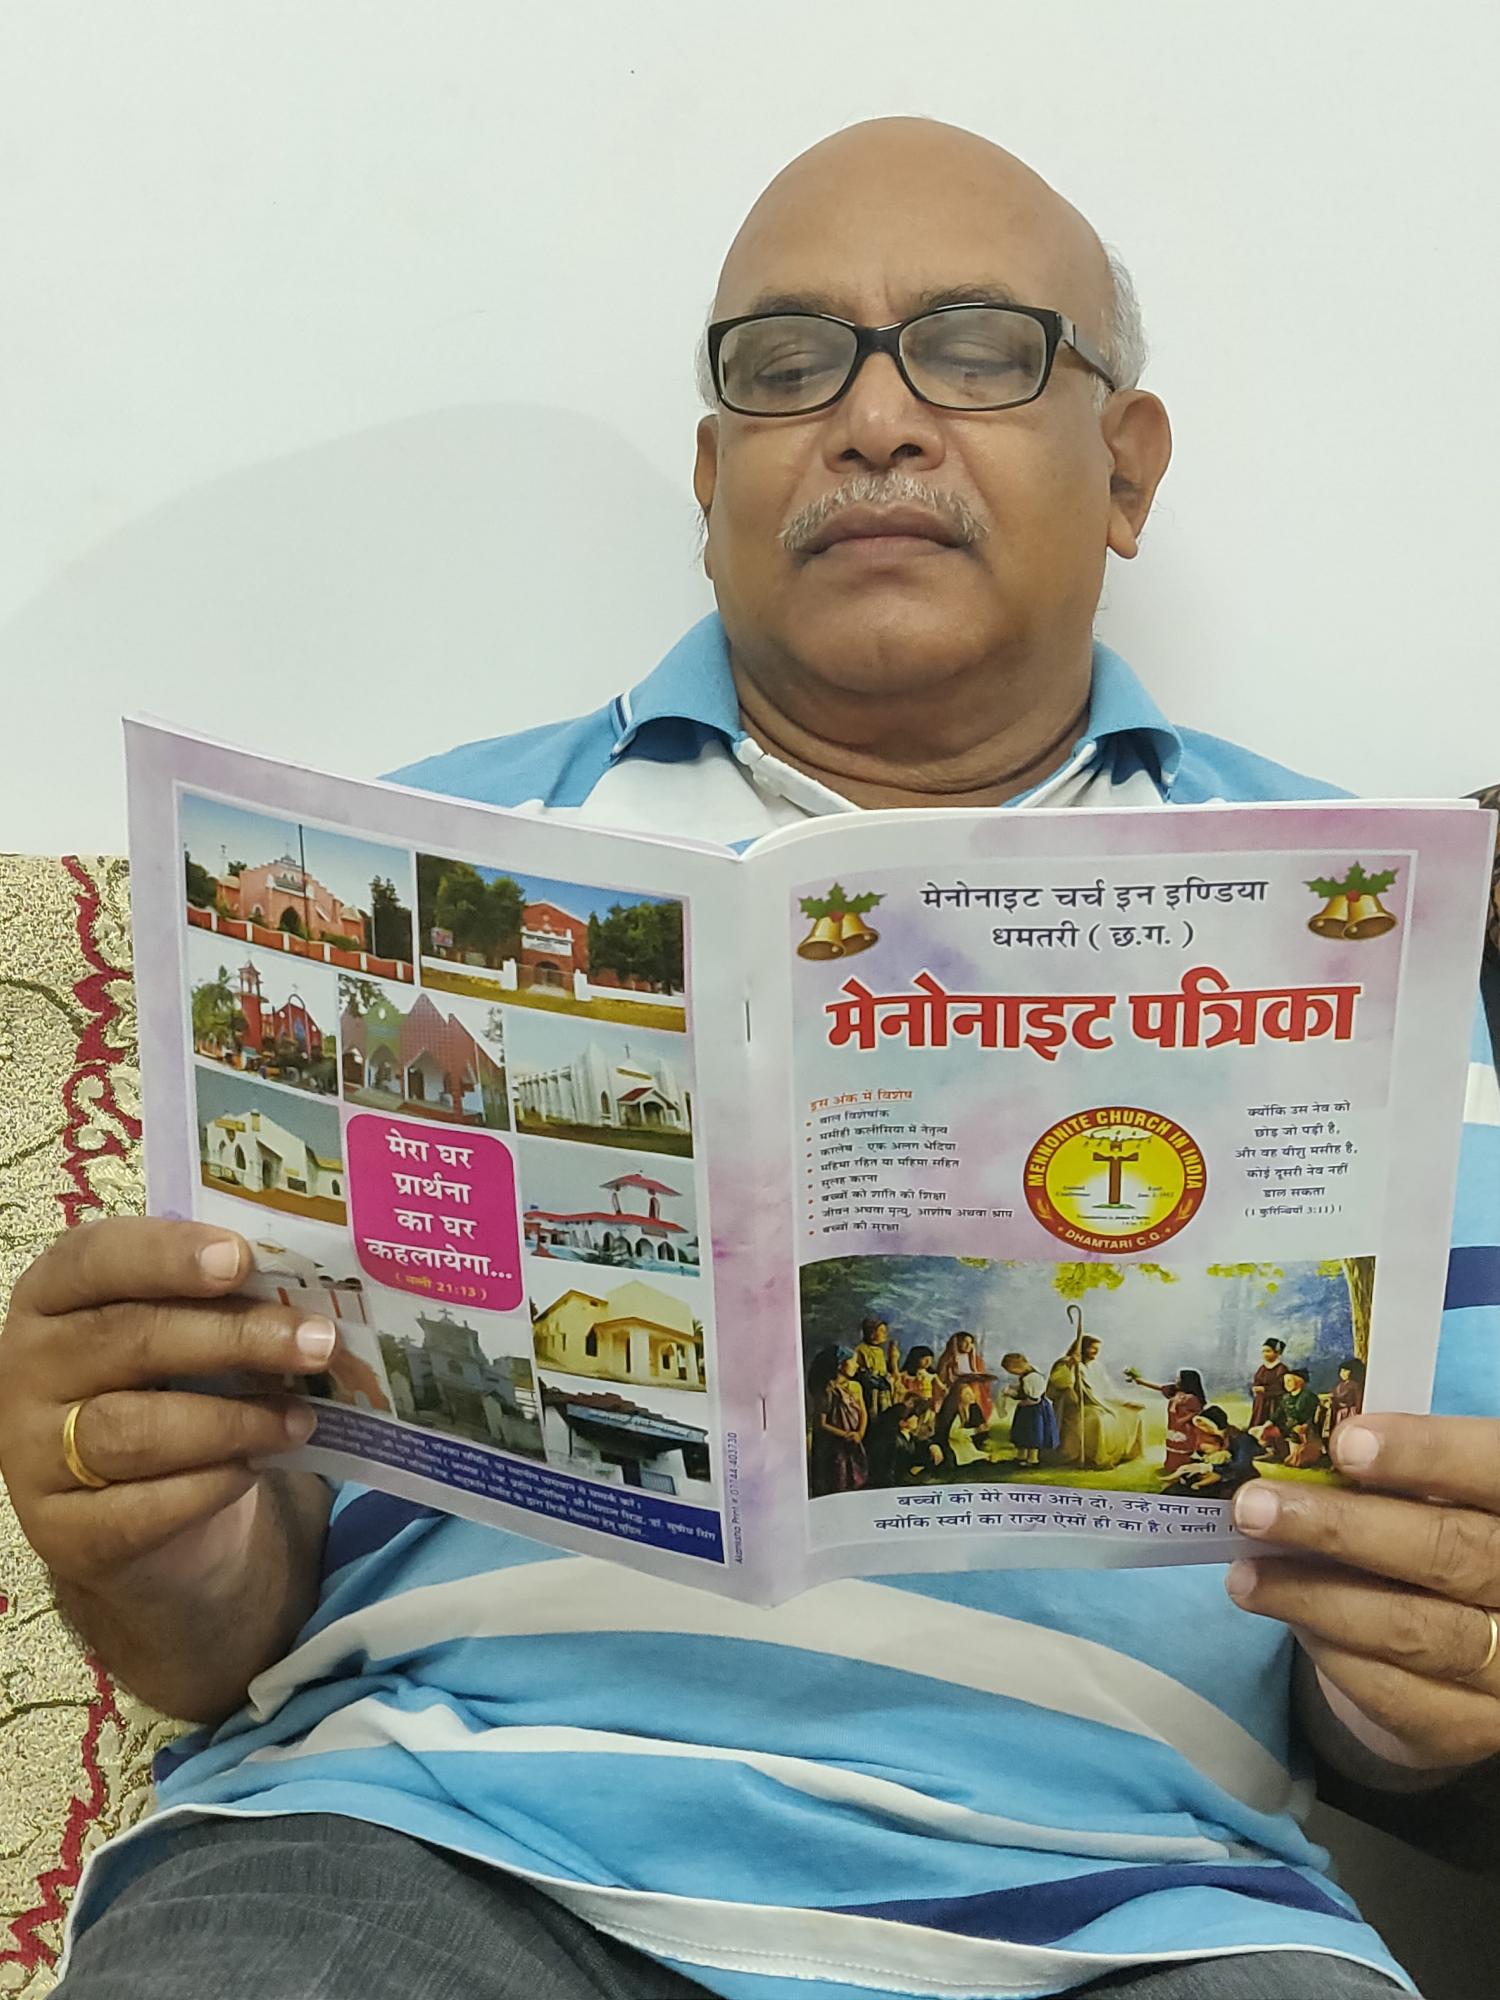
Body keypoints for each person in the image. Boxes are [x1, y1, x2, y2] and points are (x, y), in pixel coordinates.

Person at [3, 114, 1497, 2000]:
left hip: (1138, 1910)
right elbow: (220, 1615)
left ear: (1125, 465)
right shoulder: (394, 881)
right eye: (790, 367)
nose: (874, 420)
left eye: (974, 347)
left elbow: (1404, 1657)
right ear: (714, 477)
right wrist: (145, 1535)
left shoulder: (1370, 929)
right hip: (425, 1839)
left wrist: (1431, 1685)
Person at [1046, 1332, 1146, 1471]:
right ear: (1081, 1348)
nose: (1095, 1351)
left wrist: (1125, 1402)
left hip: (1100, 1402)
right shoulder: (1065, 1363)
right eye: (1092, 1348)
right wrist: (1070, 1366)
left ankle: (1126, 1454)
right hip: (1074, 1407)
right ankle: (1094, 1458)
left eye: (1097, 1348)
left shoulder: (1096, 1366)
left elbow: (1107, 1389)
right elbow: (1059, 1384)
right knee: (1097, 1419)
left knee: (1131, 1414)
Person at [1124, 1365, 1208, 1477]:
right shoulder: (1175, 1391)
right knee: (1172, 1446)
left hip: (1185, 1428)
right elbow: (1159, 1387)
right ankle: (1171, 1466)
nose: (1176, 1380)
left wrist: (1179, 1419)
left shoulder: (1191, 1398)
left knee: (1183, 1447)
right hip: (1173, 1425)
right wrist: (1140, 1381)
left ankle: (1183, 1468)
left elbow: (1194, 1413)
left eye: (1179, 1378)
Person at [806, 1343, 868, 1495]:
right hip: (834, 1445)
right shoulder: (827, 1391)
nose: (857, 1365)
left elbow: (863, 1413)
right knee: (837, 1479)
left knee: (855, 1477)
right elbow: (821, 1423)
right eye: (853, 1361)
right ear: (840, 1365)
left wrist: (859, 1433)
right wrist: (846, 1435)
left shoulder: (856, 1387)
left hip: (853, 1442)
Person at [1163, 1407, 1266, 1497]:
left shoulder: (1242, 1439)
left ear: (1217, 1424)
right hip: (1216, 1472)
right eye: (1201, 1426)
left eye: (1206, 1425)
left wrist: (1211, 1468)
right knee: (1175, 1490)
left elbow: (1241, 1466)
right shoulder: (1212, 1438)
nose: (1204, 1429)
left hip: (1236, 1477)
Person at [866, 1395, 943, 1488]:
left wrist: (932, 1446)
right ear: (902, 1422)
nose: (916, 1418)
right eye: (911, 1416)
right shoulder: (893, 1441)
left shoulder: (907, 1436)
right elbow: (887, 1473)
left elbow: (919, 1442)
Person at [997, 1349, 1058, 1465]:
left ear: (1017, 1367)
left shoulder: (1032, 1377)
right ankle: (1021, 1456)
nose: (1012, 1374)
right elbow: (1025, 1390)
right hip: (1027, 1409)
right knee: (1022, 1433)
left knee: (1032, 1434)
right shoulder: (1027, 1375)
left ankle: (1032, 1459)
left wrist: (1012, 1393)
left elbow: (1032, 1396)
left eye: (1012, 1371)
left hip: (1034, 1410)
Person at [934, 1379, 991, 1475]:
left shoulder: (972, 1407)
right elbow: (953, 1433)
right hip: (952, 1442)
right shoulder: (954, 1411)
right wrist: (975, 1430)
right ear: (959, 1396)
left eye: (971, 1393)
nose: (972, 1396)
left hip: (964, 1441)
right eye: (967, 1394)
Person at [935, 1328, 992, 1419]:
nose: (968, 1345)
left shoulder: (976, 1360)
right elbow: (942, 1376)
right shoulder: (947, 1359)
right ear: (957, 1343)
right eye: (965, 1342)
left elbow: (979, 1372)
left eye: (971, 1343)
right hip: (953, 1389)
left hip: (974, 1388)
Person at [852, 1314, 895, 1418]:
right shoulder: (860, 1349)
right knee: (872, 1410)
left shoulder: (880, 1351)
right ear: (871, 1333)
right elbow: (859, 1370)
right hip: (870, 1387)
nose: (885, 1334)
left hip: (882, 1386)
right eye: (881, 1331)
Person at [1250, 1337, 1289, 1428]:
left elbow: (1282, 1387)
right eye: (1263, 1352)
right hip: (1260, 1403)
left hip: (1274, 1403)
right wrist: (1255, 1387)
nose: (1265, 1354)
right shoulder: (1262, 1368)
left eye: (1268, 1351)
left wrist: (1265, 1389)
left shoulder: (1281, 1369)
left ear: (1277, 1353)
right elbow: (1257, 1381)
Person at [1324, 1357, 1367, 1440]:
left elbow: (1358, 1399)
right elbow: (1334, 1396)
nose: (1342, 1373)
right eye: (1341, 1371)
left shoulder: (1354, 1385)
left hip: (1350, 1412)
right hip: (1339, 1412)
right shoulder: (1338, 1385)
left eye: (1345, 1371)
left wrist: (1358, 1412)